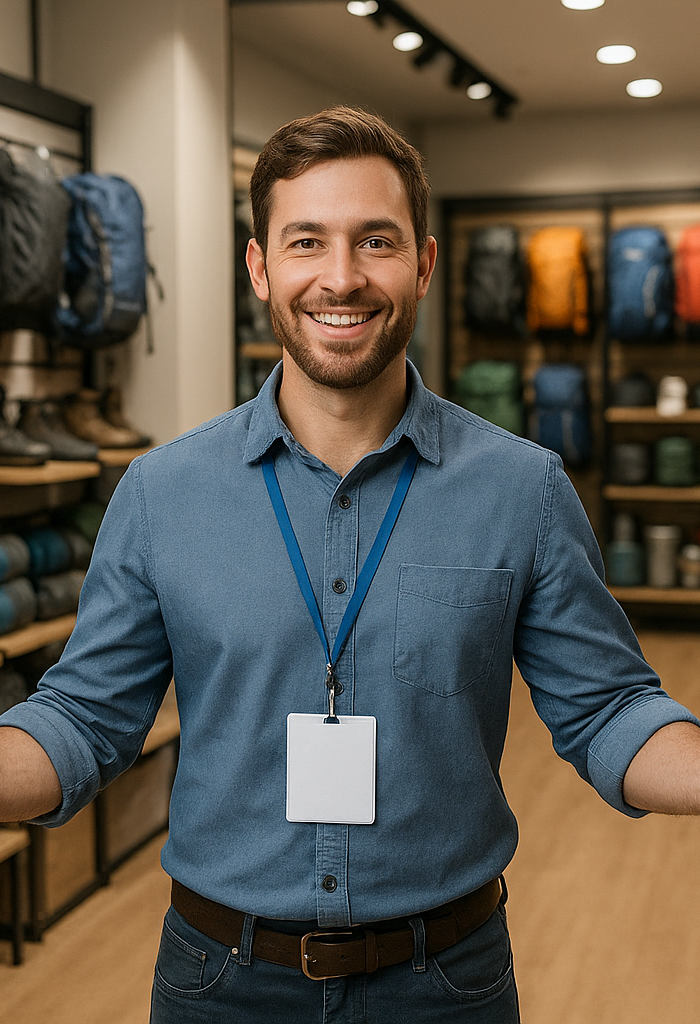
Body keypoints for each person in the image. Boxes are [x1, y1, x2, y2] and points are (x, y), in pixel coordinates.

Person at [1, 106, 700, 1023]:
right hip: (220, 985)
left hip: (446, 985)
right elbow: (83, 719)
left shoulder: (521, 489)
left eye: (376, 240)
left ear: (424, 264)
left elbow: (609, 710)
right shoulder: (160, 493)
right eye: (306, 242)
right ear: (260, 268)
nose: (341, 277)